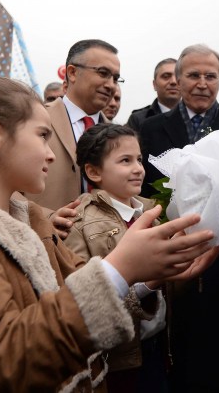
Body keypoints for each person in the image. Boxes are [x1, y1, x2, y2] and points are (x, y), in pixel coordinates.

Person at [0, 66, 217, 392]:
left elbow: (78, 289)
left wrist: (150, 274)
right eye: (42, 135)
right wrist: (120, 267)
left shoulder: (31, 219)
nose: (53, 154)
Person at [140, 44, 219, 392]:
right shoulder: (151, 130)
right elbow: (146, 193)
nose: (202, 83)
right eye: (193, 75)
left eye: (211, 76)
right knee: (179, 357)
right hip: (174, 263)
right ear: (178, 80)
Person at [65, 123, 171, 392]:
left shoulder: (154, 211)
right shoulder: (80, 223)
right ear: (93, 172)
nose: (138, 168)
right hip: (119, 360)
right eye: (125, 161)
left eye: (138, 159)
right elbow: (83, 299)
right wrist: (149, 284)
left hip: (158, 343)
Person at [25, 39, 120, 219]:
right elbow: (2, 185)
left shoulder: (119, 138)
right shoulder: (30, 120)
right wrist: (45, 218)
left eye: (115, 78)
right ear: (73, 72)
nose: (110, 85)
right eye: (103, 73)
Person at [126, 58, 180, 132]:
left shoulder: (195, 117)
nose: (173, 82)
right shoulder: (138, 119)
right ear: (154, 84)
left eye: (177, 77)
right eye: (166, 76)